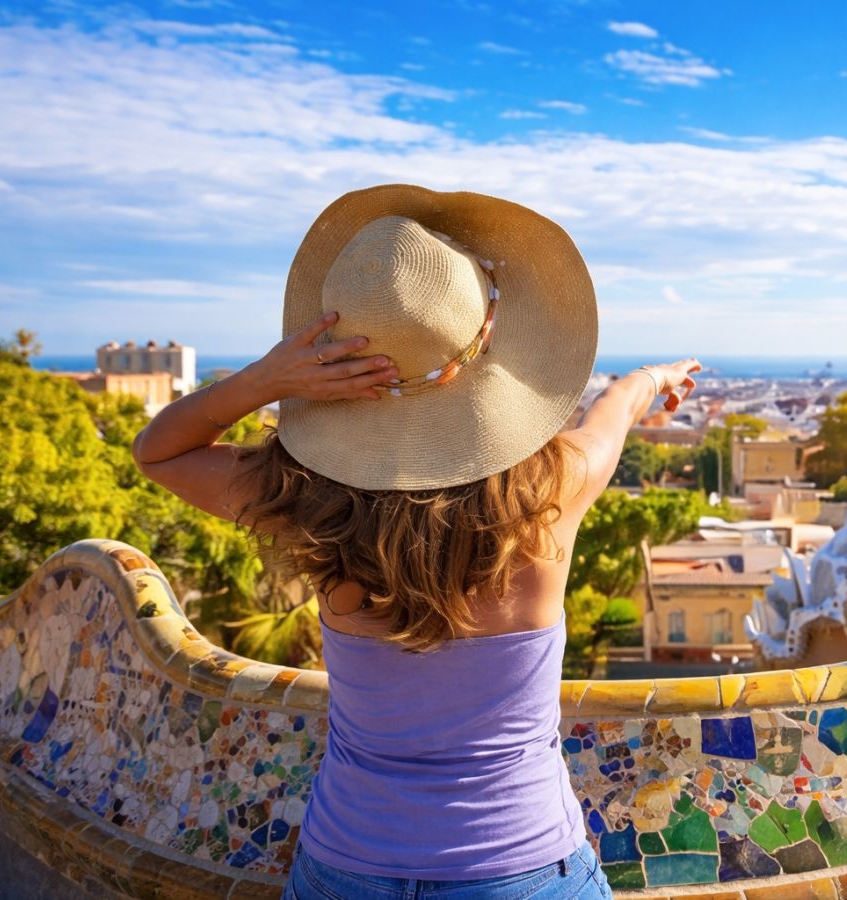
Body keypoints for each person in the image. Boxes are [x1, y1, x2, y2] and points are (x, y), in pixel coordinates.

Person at [131, 184, 701, 899]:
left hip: (345, 867)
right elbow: (615, 412)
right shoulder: (554, 494)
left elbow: (159, 452)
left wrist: (266, 380)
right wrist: (653, 378)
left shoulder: (305, 502)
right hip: (520, 869)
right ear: (488, 350)